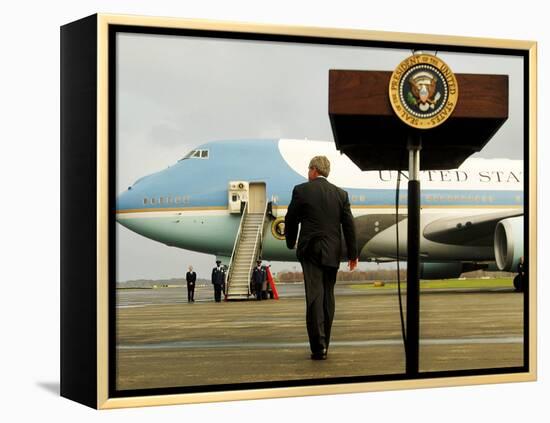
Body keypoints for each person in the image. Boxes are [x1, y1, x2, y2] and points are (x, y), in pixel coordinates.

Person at [285, 156, 358, 360]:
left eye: (309, 169)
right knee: (328, 296)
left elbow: (291, 219)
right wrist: (353, 254)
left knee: (314, 296)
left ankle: (318, 347)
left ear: (314, 170)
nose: (308, 173)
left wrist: (291, 242)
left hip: (310, 251)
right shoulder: (340, 194)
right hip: (332, 251)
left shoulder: (301, 191)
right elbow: (349, 225)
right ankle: (326, 342)